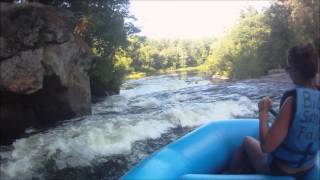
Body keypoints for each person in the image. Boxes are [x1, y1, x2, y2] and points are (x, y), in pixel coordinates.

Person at [228, 43, 320, 179]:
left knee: (247, 141)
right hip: (308, 165)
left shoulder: (292, 102)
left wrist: (263, 112)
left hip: (284, 169)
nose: (288, 72)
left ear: (294, 70)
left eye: (288, 68)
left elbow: (266, 147)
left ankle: (230, 175)